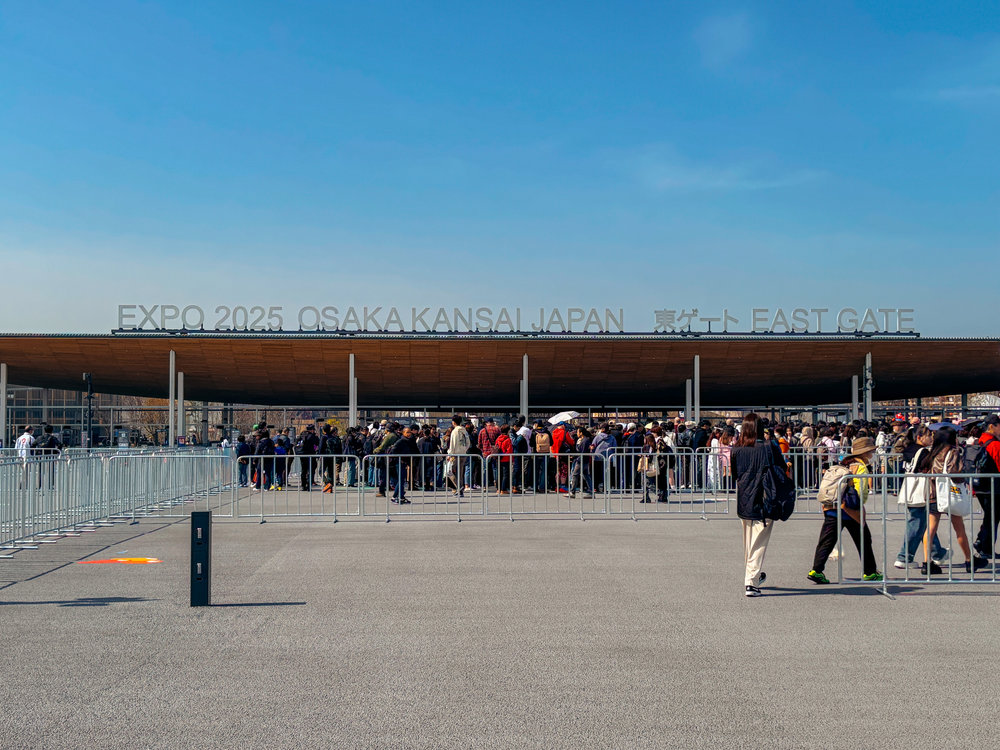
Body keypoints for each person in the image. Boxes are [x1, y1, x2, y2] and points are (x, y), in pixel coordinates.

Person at [807, 437, 884, 585]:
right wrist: (860, 505)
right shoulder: (860, 468)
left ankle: (816, 570)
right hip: (849, 511)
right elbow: (861, 493)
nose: (872, 454)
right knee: (864, 539)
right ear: (865, 452)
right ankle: (870, 572)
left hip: (832, 508)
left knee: (826, 541)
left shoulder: (844, 463)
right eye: (871, 451)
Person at [918, 425, 986, 574]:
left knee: (930, 528)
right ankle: (969, 560)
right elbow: (955, 473)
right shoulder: (952, 452)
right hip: (949, 494)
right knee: (959, 528)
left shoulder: (932, 453)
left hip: (933, 493)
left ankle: (926, 562)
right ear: (951, 438)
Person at [732, 413, 784, 597]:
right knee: (758, 541)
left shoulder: (736, 449)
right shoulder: (769, 446)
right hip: (765, 498)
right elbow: (781, 469)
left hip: (744, 499)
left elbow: (734, 474)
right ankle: (751, 582)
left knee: (749, 542)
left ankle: (752, 575)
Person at [894, 425, 947, 569]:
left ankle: (938, 553)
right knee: (916, 523)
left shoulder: (908, 449)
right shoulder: (922, 452)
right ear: (919, 437)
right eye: (929, 435)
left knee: (922, 524)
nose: (931, 438)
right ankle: (904, 557)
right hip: (920, 491)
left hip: (909, 489)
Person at [973, 414, 1000, 561]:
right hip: (993, 486)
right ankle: (982, 544)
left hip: (980, 485)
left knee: (990, 516)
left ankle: (986, 547)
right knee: (993, 517)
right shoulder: (994, 444)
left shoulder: (980, 441)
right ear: (992, 426)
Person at [388, 424, 418, 504]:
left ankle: (401, 497)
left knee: (402, 480)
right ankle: (394, 496)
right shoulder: (401, 441)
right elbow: (393, 451)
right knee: (401, 480)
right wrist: (399, 458)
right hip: (399, 462)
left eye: (410, 432)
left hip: (405, 462)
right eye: (407, 432)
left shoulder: (409, 441)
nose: (409, 434)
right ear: (403, 433)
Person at [447, 414, 470, 497]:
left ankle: (458, 488)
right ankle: (460, 489)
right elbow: (468, 442)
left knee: (450, 472)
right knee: (460, 472)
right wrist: (464, 449)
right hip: (463, 454)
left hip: (455, 454)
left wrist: (450, 454)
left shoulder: (454, 431)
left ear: (453, 422)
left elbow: (452, 444)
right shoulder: (464, 430)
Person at [568, 426, 594, 499]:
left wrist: (575, 457)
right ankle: (591, 491)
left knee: (575, 475)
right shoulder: (580, 440)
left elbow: (582, 451)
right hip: (582, 460)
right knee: (586, 475)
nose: (577, 433)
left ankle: (572, 492)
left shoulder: (585, 441)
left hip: (581, 460)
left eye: (578, 432)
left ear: (581, 433)